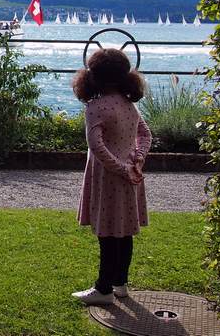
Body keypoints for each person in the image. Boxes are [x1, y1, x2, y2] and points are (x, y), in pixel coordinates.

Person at [70, 48, 151, 306]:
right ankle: (120, 284)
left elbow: (96, 145)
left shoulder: (96, 107)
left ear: (93, 77)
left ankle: (103, 288)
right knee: (124, 231)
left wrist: (120, 167)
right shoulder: (129, 105)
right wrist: (135, 160)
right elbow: (145, 135)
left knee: (107, 233)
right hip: (128, 177)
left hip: (108, 179)